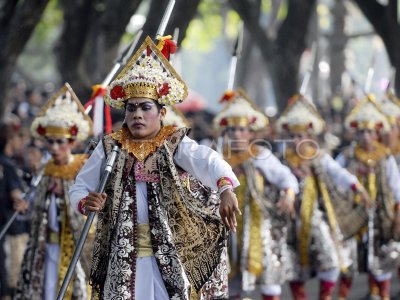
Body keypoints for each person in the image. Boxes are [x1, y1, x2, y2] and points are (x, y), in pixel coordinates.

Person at [69, 36, 240, 300]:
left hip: (171, 250)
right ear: (124, 113)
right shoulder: (109, 147)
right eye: (131, 108)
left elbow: (210, 161)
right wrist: (85, 202)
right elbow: (80, 186)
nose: (137, 114)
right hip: (124, 251)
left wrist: (226, 188)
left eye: (145, 107)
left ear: (161, 113)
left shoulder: (174, 144)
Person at [275, 94, 370, 300]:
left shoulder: (319, 156)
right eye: (292, 136)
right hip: (290, 220)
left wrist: (357, 188)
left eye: (301, 136)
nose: (297, 141)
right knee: (294, 267)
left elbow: (338, 173)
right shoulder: (281, 161)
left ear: (309, 136)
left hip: (319, 216)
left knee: (331, 261)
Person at [212, 89, 299, 300]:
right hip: (224, 226)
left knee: (268, 276)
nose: (236, 134)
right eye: (231, 129)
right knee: (229, 280)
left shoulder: (261, 155)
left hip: (258, 226)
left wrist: (288, 195)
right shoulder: (215, 157)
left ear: (250, 132)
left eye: (242, 129)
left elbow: (287, 178)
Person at [14, 83, 93, 300]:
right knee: (45, 289)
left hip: (73, 243)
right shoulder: (45, 169)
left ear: (71, 142)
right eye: (50, 142)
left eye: (60, 142)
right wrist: (25, 204)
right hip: (45, 241)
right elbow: (35, 202)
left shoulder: (82, 166)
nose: (54, 147)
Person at [336, 95, 400, 300]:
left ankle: (383, 295)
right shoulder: (347, 155)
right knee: (349, 263)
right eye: (361, 131)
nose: (365, 136)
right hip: (352, 218)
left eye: (370, 132)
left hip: (381, 218)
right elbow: (336, 180)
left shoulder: (386, 157)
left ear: (376, 133)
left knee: (381, 263)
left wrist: (397, 215)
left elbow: (396, 188)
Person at [0, 123, 28, 300]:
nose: (22, 143)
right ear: (11, 139)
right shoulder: (9, 166)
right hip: (7, 226)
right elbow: (17, 198)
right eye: (19, 138)